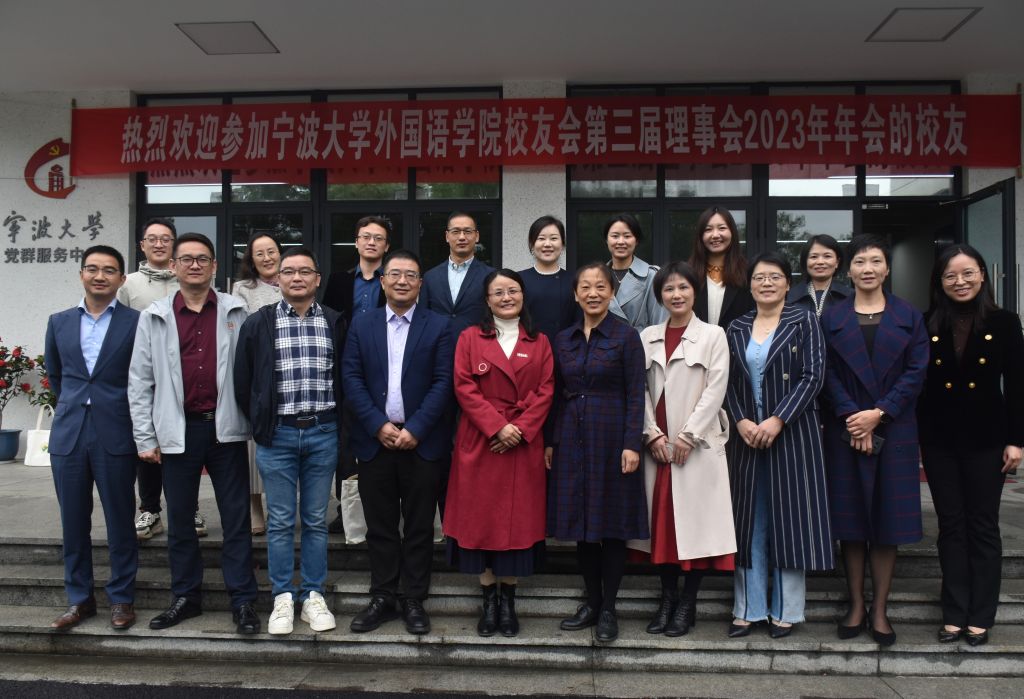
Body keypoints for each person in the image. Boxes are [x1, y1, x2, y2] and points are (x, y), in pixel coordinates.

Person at [128, 232, 260, 635]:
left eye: (203, 259)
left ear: (215, 266)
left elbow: (254, 371)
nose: (195, 265)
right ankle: (185, 597)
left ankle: (243, 600)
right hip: (178, 430)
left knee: (236, 520)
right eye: (186, 259)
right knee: (181, 519)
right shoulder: (155, 315)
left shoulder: (237, 310)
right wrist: (145, 437)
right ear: (174, 266)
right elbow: (140, 380)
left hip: (225, 431)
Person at [820, 234, 928, 647]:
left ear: (887, 269)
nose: (868, 269)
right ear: (848, 270)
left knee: (887, 524)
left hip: (893, 428)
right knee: (851, 523)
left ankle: (880, 608)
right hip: (846, 428)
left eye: (876, 261)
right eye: (860, 262)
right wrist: (854, 417)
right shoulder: (832, 317)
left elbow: (916, 372)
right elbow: (825, 373)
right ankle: (856, 605)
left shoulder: (909, 316)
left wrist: (878, 414)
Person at [235, 247, 346, 636]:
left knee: (315, 519)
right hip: (277, 434)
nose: (297, 278)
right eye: (289, 272)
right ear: (278, 279)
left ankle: (313, 595)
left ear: (317, 279)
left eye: (305, 272)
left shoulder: (334, 321)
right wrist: (261, 422)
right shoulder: (258, 323)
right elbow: (243, 381)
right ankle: (282, 596)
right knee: (280, 520)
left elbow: (344, 377)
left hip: (322, 432)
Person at [342, 249, 454, 636]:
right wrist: (377, 425)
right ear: (383, 281)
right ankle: (383, 595)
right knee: (380, 526)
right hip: (376, 442)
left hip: (422, 442)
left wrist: (416, 428)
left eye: (410, 275)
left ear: (421, 283)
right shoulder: (362, 324)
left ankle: (414, 598)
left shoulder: (439, 326)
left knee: (420, 526)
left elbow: (444, 382)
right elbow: (351, 378)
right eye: (395, 274)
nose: (402, 281)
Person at [918, 244, 1024, 647]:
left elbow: (1017, 385)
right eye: (950, 275)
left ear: (983, 274)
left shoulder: (1006, 321)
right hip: (940, 440)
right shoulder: (927, 321)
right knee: (951, 525)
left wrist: (1016, 440)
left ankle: (981, 615)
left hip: (988, 439)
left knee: (982, 524)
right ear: (939, 282)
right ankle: (954, 611)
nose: (959, 281)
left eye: (968, 273)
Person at [724, 252, 833, 639]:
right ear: (750, 285)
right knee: (748, 521)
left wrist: (778, 419)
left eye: (774, 277)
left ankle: (786, 610)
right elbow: (726, 381)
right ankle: (748, 608)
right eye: (759, 277)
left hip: (792, 434)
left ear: (788, 284)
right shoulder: (736, 326)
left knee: (790, 521)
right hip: (746, 437)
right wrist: (741, 420)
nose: (766, 283)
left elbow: (813, 376)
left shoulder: (804, 320)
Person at [443, 269, 555, 637]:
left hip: (522, 444)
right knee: (483, 522)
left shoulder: (540, 341)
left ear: (523, 296)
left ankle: (508, 601)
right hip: (481, 441)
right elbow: (463, 386)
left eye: (513, 291)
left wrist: (517, 429)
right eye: (499, 292)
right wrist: (497, 426)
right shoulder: (469, 338)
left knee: (516, 524)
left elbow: (546, 390)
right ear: (487, 300)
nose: (507, 298)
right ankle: (488, 598)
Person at [627, 261, 736, 638]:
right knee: (662, 529)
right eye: (669, 289)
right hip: (658, 448)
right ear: (660, 295)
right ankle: (667, 599)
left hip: (696, 448)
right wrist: (651, 434)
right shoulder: (647, 336)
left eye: (683, 288)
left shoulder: (713, 335)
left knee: (696, 527)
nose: (676, 295)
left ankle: (688, 603)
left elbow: (716, 389)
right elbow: (637, 389)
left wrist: (688, 436)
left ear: (695, 292)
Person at [548, 263, 647, 643]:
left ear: (611, 293)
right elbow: (556, 395)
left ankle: (609, 608)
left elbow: (636, 394)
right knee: (583, 526)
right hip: (572, 437)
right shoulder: (563, 338)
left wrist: (631, 444)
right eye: (585, 287)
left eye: (600, 287)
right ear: (575, 295)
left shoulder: (626, 336)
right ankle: (591, 602)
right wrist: (551, 442)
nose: (593, 293)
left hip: (612, 437)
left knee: (612, 525)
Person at [45, 245, 140, 632]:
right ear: (81, 274)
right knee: (72, 522)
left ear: (121, 278)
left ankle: (121, 598)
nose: (100, 276)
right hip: (69, 433)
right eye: (93, 269)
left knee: (120, 519)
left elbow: (141, 375)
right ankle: (79, 598)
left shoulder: (136, 322)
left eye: (109, 270)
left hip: (115, 429)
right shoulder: (59, 322)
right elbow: (56, 375)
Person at [116, 218, 205, 541]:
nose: (158, 244)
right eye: (152, 239)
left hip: (186, 381)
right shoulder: (129, 285)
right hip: (147, 377)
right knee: (148, 446)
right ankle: (150, 509)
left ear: (174, 246)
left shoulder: (188, 279)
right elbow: (119, 329)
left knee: (188, 448)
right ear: (142, 245)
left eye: (165, 239)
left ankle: (190, 507)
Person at [321, 215, 391, 534]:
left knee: (380, 436)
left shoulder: (392, 279)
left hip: (384, 367)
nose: (371, 242)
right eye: (366, 236)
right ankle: (345, 510)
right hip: (345, 368)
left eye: (378, 238)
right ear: (357, 242)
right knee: (345, 442)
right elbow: (328, 321)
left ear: (386, 246)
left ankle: (383, 508)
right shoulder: (339, 280)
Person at [231, 232, 283, 536]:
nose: (267, 258)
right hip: (257, 371)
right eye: (259, 253)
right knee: (254, 445)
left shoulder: (293, 280)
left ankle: (279, 506)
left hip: (287, 372)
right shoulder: (242, 289)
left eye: (271, 251)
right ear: (251, 259)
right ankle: (254, 507)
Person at [420, 211, 495, 337]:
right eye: (455, 231)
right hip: (438, 345)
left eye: (467, 231)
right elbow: (423, 316)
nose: (461, 237)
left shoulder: (491, 276)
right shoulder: (430, 277)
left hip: (477, 344)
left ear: (477, 236)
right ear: (447, 236)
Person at [517, 215, 579, 344]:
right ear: (532, 244)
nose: (547, 244)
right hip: (527, 349)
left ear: (562, 244)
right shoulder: (518, 280)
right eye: (541, 238)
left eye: (554, 238)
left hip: (567, 349)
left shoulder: (575, 281)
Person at [690, 206, 754, 329]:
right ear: (700, 236)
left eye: (722, 228)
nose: (715, 235)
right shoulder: (688, 274)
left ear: (732, 232)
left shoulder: (748, 273)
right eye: (708, 229)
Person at [604, 212, 666, 330]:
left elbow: (659, 325)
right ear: (607, 240)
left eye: (627, 236)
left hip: (641, 341)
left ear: (636, 240)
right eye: (615, 236)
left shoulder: (652, 276)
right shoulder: (598, 276)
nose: (621, 241)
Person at [787, 234, 852, 319]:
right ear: (805, 262)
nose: (820, 262)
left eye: (827, 256)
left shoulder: (851, 297)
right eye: (814, 257)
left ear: (837, 262)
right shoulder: (789, 297)